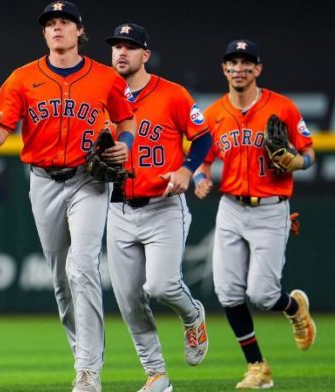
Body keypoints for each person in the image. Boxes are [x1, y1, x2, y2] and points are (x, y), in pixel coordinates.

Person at [0, 2, 136, 392]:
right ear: (44, 33)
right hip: (42, 180)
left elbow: (126, 118)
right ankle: (82, 355)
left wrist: (126, 143)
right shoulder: (23, 78)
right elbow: (1, 130)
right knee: (62, 281)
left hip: (89, 179)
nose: (57, 28)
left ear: (80, 31)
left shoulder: (104, 77)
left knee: (83, 267)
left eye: (64, 22)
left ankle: (88, 371)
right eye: (50, 24)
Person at [193, 39, 317, 389]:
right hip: (231, 207)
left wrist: (299, 161)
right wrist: (201, 177)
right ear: (224, 69)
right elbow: (203, 159)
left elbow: (309, 152)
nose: (239, 69)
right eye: (232, 62)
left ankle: (295, 309)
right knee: (228, 293)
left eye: (247, 63)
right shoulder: (215, 113)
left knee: (263, 295)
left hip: (271, 208)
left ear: (258, 69)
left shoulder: (283, 107)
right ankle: (257, 367)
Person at [105, 23, 211, 392]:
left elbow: (203, 136)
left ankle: (192, 314)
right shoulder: (102, 97)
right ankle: (157, 376)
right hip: (118, 209)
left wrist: (186, 168)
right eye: (116, 46)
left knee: (162, 285)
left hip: (163, 205)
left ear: (144, 54)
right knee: (129, 299)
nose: (121, 52)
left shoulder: (172, 94)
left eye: (130, 47)